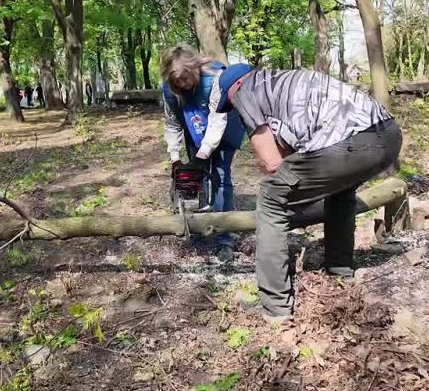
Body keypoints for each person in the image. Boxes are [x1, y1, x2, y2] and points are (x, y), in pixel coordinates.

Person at [215, 64, 402, 320]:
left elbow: (272, 163)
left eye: (231, 105)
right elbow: (301, 152)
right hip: (387, 134)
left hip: (347, 142)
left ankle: (275, 306)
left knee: (270, 197)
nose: (236, 110)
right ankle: (340, 271)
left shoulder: (244, 90)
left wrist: (286, 201)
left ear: (234, 88)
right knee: (340, 189)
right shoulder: (285, 80)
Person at [161, 44, 245, 263]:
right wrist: (175, 158)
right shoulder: (170, 91)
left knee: (221, 177)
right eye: (177, 81)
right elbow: (172, 124)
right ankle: (197, 229)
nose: (182, 84)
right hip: (194, 128)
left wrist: (203, 155)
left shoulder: (215, 78)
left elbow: (218, 120)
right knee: (192, 179)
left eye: (186, 78)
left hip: (225, 130)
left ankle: (223, 238)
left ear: (196, 66)